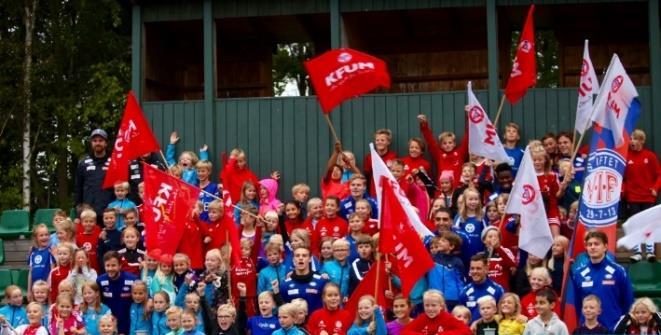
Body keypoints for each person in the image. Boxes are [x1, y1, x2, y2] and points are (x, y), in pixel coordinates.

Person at [570, 230, 634, 331]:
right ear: (586, 248)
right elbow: (578, 305)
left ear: (605, 246)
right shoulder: (579, 273)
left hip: (612, 328)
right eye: (589, 244)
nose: (592, 247)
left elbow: (628, 301)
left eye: (596, 244)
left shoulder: (618, 271)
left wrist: (621, 325)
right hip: (587, 330)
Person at [623, 129, 661, 262]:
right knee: (635, 224)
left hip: (648, 197)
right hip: (633, 197)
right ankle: (637, 252)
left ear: (642, 141)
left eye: (635, 138)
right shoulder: (626, 156)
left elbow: (659, 175)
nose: (632, 141)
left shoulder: (649, 156)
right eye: (631, 138)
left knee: (648, 224)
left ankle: (650, 251)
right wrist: (624, 191)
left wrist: (655, 188)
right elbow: (622, 178)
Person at [75, 128, 113, 225]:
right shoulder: (83, 163)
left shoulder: (114, 162)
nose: (97, 143)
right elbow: (78, 187)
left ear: (106, 143)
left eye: (100, 140)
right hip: (89, 212)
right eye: (95, 141)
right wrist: (78, 209)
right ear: (91, 143)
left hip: (109, 211)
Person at [97, 251, 138, 335]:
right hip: (108, 326)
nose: (110, 268)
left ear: (120, 266)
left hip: (128, 323)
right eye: (107, 265)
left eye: (113, 265)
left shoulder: (133, 279)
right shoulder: (100, 280)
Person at [278, 247, 327, 313]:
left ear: (310, 259)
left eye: (304, 255)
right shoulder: (285, 285)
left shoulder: (321, 282)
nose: (300, 258)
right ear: (293, 259)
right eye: (297, 256)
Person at [402, 290, 472, 335]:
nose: (430, 308)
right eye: (427, 305)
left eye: (433, 305)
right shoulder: (422, 318)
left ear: (441, 306)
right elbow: (405, 332)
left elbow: (466, 331)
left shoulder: (447, 318)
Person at [460, 253, 505, 321]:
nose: (475, 271)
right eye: (472, 268)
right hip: (470, 330)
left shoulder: (498, 290)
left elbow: (503, 315)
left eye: (478, 268)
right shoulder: (464, 292)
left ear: (486, 269)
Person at [363, 128, 398, 195]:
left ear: (388, 142)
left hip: (389, 191)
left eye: (382, 140)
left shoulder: (393, 156)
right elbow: (367, 176)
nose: (379, 142)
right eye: (377, 140)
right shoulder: (369, 157)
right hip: (374, 192)